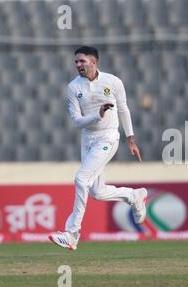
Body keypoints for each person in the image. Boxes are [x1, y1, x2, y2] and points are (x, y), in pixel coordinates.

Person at [49, 46, 148, 250]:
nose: (78, 65)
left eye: (82, 61)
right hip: (88, 139)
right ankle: (133, 196)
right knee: (97, 192)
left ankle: (72, 233)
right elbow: (77, 121)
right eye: (76, 62)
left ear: (94, 62)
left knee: (81, 179)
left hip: (108, 137)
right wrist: (98, 115)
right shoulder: (73, 87)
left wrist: (131, 139)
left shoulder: (112, 82)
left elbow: (123, 109)